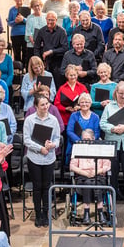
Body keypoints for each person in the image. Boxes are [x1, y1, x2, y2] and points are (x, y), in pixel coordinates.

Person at [23, 95, 60, 227]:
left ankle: (46, 212)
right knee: (37, 187)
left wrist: (52, 145)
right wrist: (40, 148)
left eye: (47, 104)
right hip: (35, 158)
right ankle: (38, 214)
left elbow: (57, 138)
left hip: (49, 158)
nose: (46, 107)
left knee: (47, 187)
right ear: (36, 107)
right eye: (42, 105)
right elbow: (26, 140)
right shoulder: (30, 120)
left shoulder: (54, 120)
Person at [69, 128, 112, 225]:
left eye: (88, 139)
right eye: (84, 139)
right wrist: (85, 173)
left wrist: (96, 172)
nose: (86, 141)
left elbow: (107, 165)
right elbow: (72, 166)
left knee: (95, 183)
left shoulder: (101, 149)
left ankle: (92, 213)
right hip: (82, 177)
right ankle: (91, 212)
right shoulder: (77, 148)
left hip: (98, 176)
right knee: (88, 183)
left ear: (93, 138)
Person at [34, 10, 69, 85]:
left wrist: (51, 51)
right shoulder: (41, 31)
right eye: (48, 19)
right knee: (45, 83)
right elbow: (36, 47)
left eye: (52, 20)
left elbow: (65, 48)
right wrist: (39, 60)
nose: (50, 22)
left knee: (57, 83)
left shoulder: (62, 31)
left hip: (58, 61)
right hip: (45, 62)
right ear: (46, 20)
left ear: (56, 20)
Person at [65, 92, 101, 163]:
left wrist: (90, 141)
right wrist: (80, 141)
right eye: (82, 102)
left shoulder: (95, 117)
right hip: (75, 143)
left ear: (90, 104)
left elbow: (97, 132)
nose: (84, 104)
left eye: (87, 102)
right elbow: (69, 131)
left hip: (91, 145)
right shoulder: (74, 115)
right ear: (79, 104)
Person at [7, 0, 28, 68]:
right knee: (16, 53)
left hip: (25, 34)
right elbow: (9, 23)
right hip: (15, 34)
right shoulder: (12, 10)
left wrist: (23, 19)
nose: (19, 1)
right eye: (17, 0)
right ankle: (18, 69)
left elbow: (29, 21)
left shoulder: (26, 8)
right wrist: (15, 21)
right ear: (15, 0)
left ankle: (25, 69)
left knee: (25, 52)